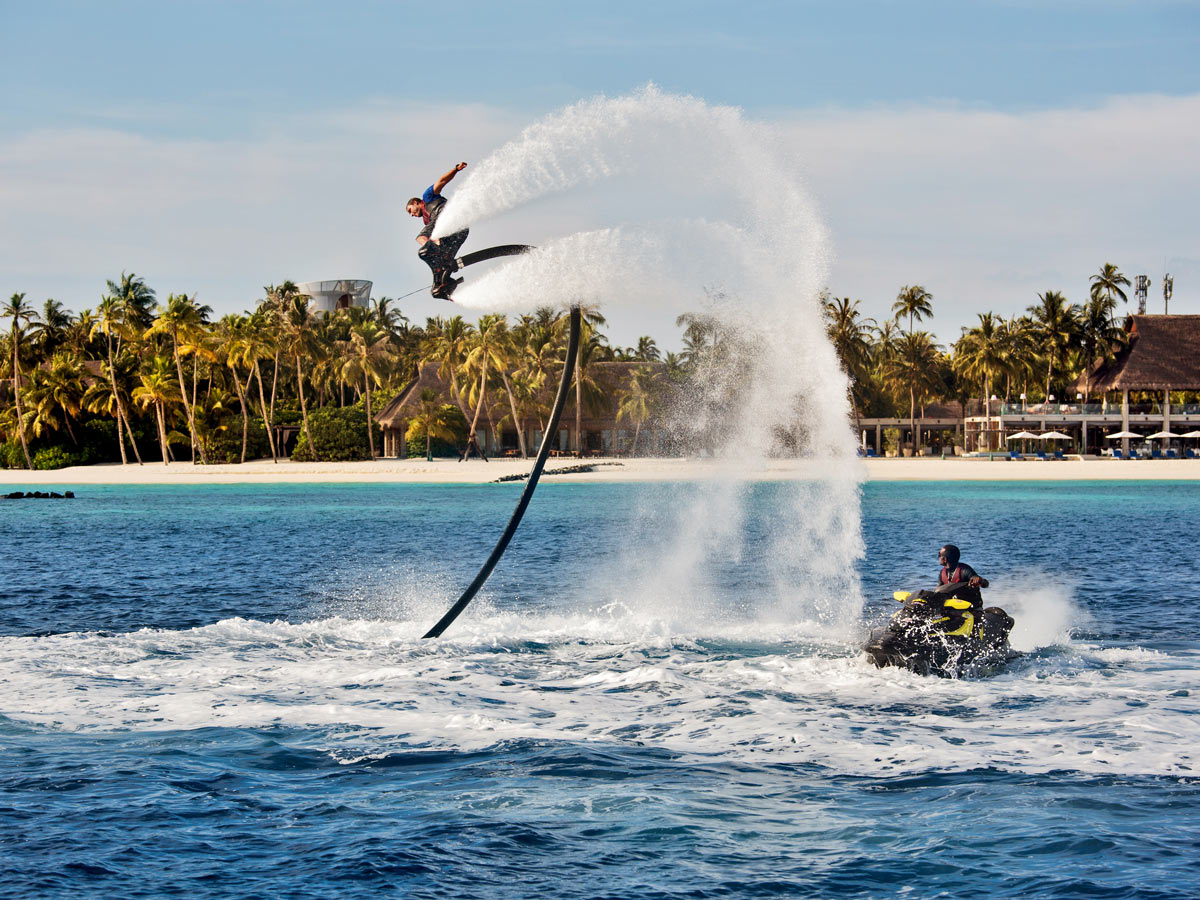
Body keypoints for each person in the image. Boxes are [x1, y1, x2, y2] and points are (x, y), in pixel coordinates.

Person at [407, 162, 470, 299]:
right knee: (437, 262)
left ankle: (440, 258)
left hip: (450, 219)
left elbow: (442, 181)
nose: (411, 215)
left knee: (421, 239)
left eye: (410, 210)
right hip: (459, 233)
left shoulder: (428, 197)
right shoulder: (427, 221)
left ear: (416, 203)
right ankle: (445, 283)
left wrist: (455, 169)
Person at [933, 543, 989, 608]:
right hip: (953, 607)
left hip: (971, 607)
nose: (938, 557)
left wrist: (980, 580)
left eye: (939, 555)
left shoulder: (965, 570)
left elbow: (985, 584)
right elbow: (938, 590)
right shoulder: (942, 573)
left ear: (945, 559)